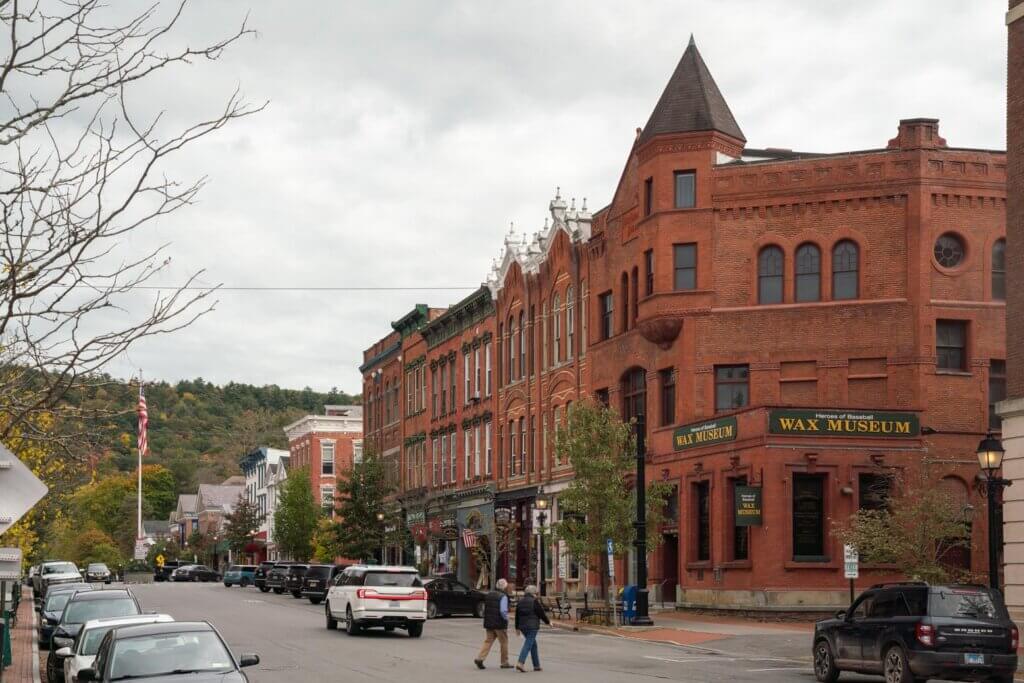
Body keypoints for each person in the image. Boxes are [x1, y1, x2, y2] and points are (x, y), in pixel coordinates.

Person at [474, 578, 513, 670]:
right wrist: (506, 618)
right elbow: (503, 611)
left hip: (489, 622)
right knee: (504, 642)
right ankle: (504, 662)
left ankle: (480, 658)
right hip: (499, 623)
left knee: (488, 641)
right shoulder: (503, 596)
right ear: (504, 587)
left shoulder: (489, 594)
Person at [514, 584, 550, 672]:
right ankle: (520, 662)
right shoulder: (534, 601)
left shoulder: (520, 602)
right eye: (536, 593)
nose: (537, 595)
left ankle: (536, 665)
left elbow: (517, 616)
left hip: (523, 627)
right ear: (533, 593)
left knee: (533, 645)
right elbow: (541, 613)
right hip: (532, 626)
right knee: (528, 644)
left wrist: (517, 628)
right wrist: (548, 622)